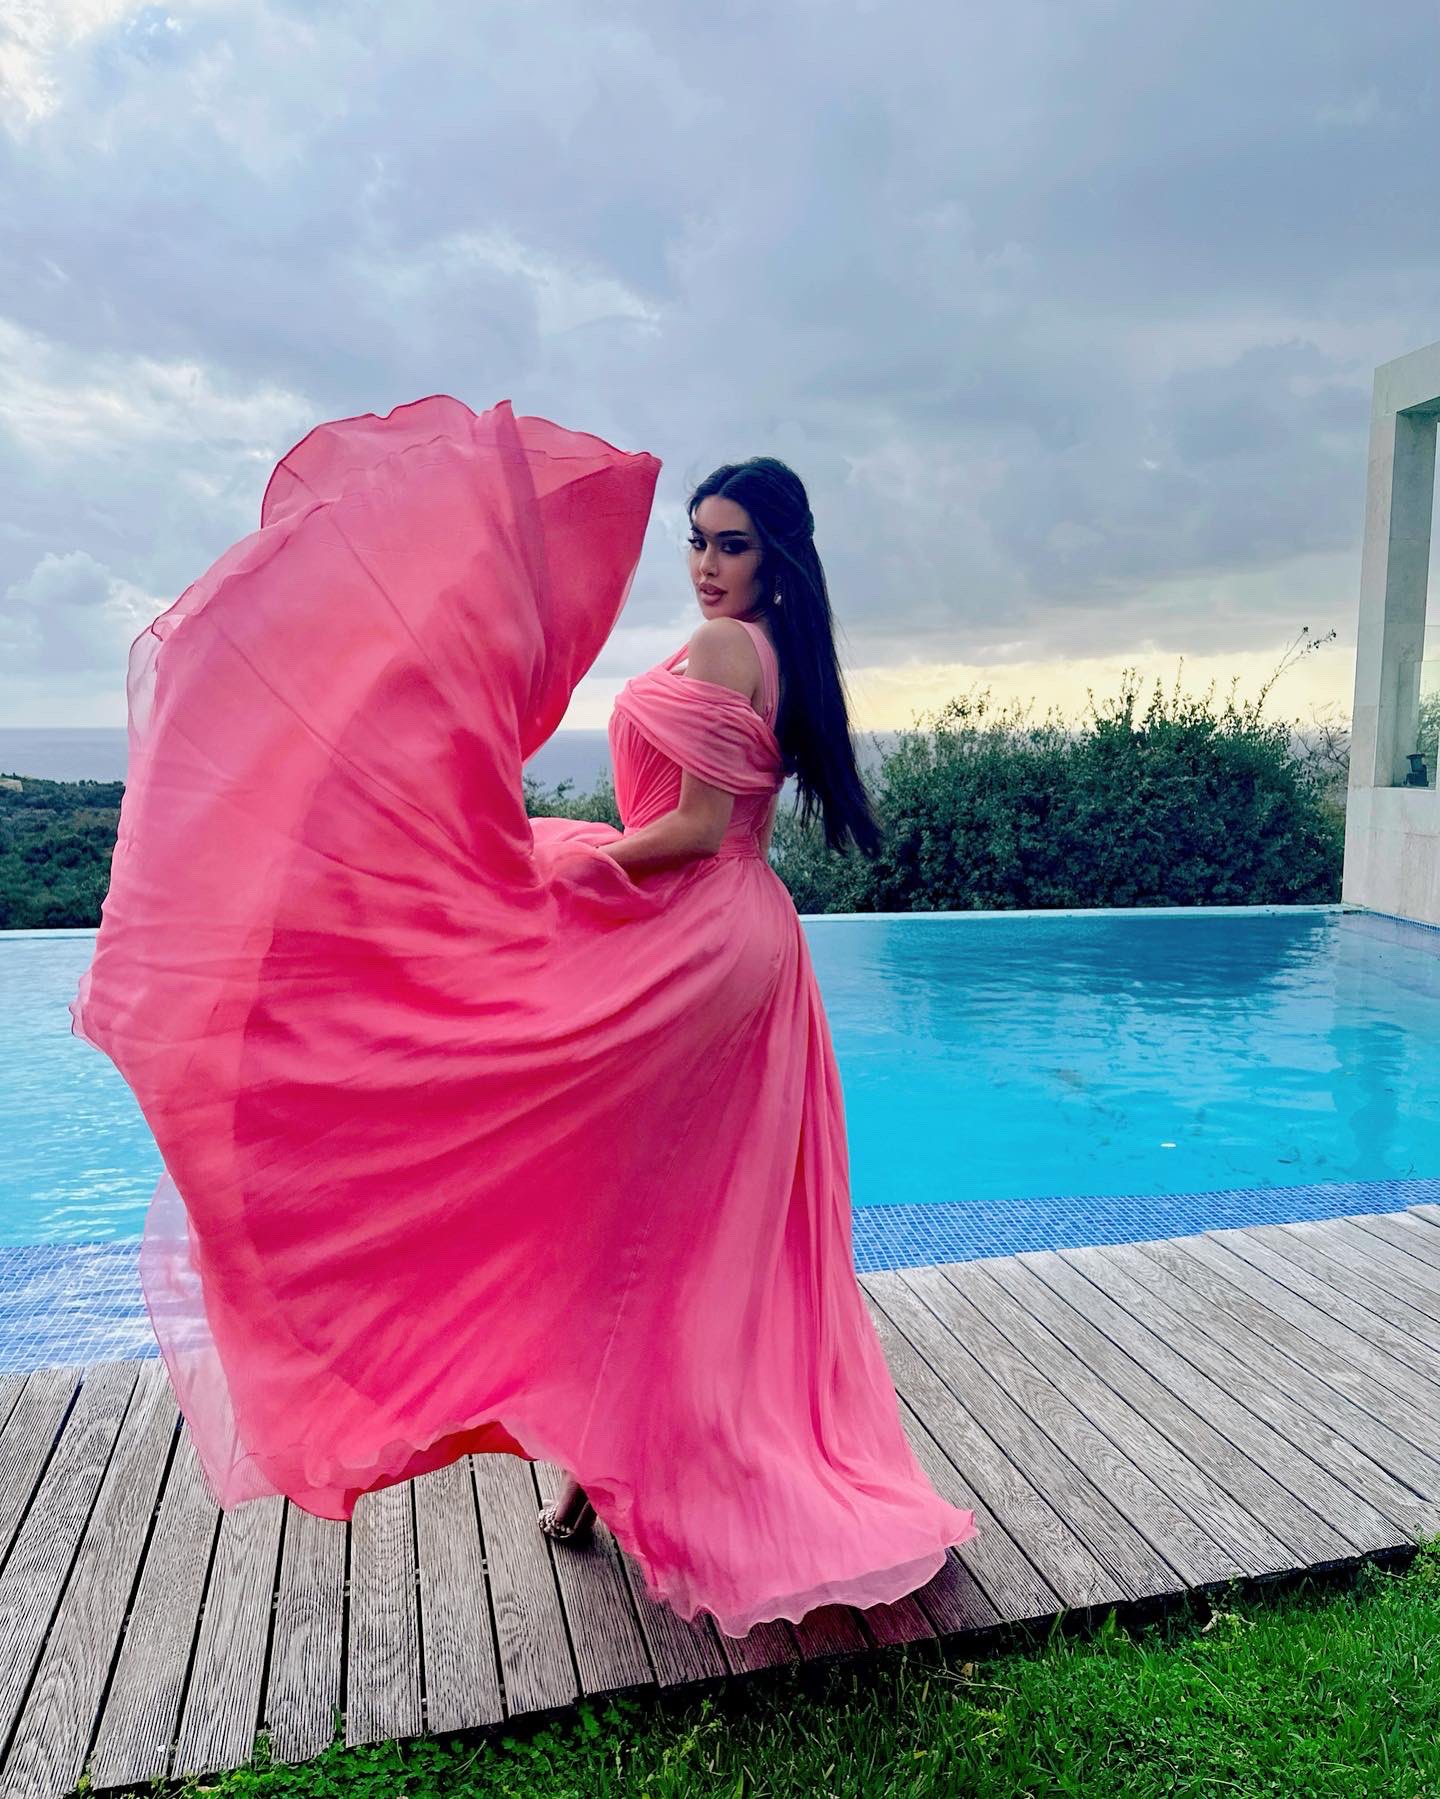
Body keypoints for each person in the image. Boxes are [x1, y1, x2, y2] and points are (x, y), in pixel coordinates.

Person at [72, 395, 977, 1639]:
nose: (708, 564)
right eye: (698, 542)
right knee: (661, 1216)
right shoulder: (772, 652)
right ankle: (600, 1470)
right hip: (739, 939)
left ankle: (628, 1467)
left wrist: (571, 871)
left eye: (732, 544)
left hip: (704, 936)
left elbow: (696, 830)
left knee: (617, 1196)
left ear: (777, 556)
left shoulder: (729, 649)